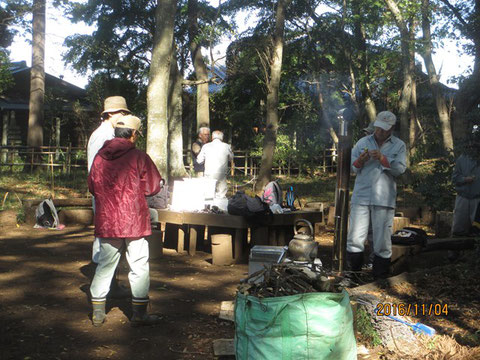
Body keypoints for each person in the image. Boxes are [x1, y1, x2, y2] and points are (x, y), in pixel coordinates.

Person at [88, 115, 162, 327]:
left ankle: (98, 313)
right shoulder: (138, 156)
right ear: (134, 134)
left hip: (108, 220)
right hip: (134, 221)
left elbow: (92, 186)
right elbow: (152, 187)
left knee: (105, 264)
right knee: (138, 264)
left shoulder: (100, 157)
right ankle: (139, 314)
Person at [346, 111, 407, 279]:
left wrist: (382, 158)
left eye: (384, 129)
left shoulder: (399, 145)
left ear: (392, 129)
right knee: (355, 237)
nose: (379, 131)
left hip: (384, 198)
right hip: (361, 196)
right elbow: (353, 167)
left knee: (382, 240)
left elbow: (400, 169)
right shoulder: (362, 142)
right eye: (378, 127)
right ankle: (352, 276)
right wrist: (362, 160)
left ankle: (380, 277)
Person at [87, 96, 131, 298]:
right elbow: (98, 169)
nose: (124, 116)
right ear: (111, 114)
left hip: (110, 195)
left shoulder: (109, 133)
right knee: (105, 241)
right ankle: (104, 287)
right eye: (122, 113)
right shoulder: (101, 136)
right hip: (105, 195)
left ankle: (110, 285)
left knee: (110, 241)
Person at [451, 127, 480, 236]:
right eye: (471, 143)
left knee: (477, 231)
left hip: (477, 200)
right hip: (462, 198)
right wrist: (464, 179)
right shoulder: (462, 159)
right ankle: (453, 253)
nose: (473, 145)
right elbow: (454, 178)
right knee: (458, 229)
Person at [196, 130, 233, 198]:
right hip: (222, 173)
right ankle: (220, 207)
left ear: (212, 137)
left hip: (209, 173)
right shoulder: (227, 146)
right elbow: (231, 158)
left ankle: (208, 207)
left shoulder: (206, 146)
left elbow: (199, 160)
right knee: (221, 195)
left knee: (208, 194)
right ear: (222, 138)